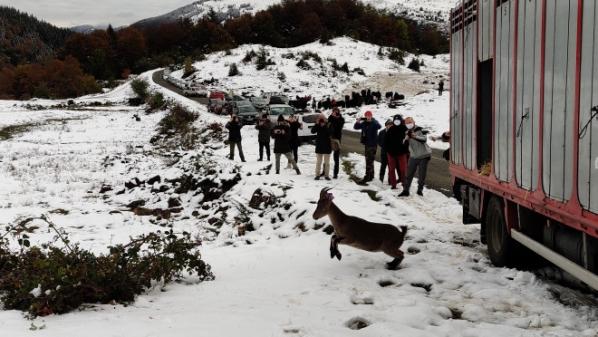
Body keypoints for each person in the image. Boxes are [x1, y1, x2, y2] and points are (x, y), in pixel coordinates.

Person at [399, 117, 432, 197]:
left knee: (421, 175)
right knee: (409, 174)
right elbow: (404, 145)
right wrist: (406, 139)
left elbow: (424, 139)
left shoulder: (420, 129)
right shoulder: (406, 132)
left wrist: (415, 136)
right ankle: (406, 190)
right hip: (413, 156)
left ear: (413, 122)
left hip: (423, 155)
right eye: (407, 123)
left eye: (410, 122)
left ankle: (419, 190)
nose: (408, 124)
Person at [353, 110, 381, 184]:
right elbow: (355, 127)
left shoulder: (374, 123)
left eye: (369, 116)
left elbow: (379, 126)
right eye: (366, 116)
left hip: (372, 145)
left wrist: (373, 120)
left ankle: (367, 177)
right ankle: (371, 176)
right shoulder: (364, 123)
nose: (368, 117)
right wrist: (358, 121)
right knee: (370, 161)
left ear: (371, 116)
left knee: (369, 161)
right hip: (367, 144)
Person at [385, 114, 409, 190]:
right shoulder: (391, 129)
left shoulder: (405, 129)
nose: (397, 122)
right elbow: (386, 141)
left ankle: (404, 183)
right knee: (391, 170)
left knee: (403, 169)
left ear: (401, 120)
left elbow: (408, 140)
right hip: (391, 153)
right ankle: (393, 184)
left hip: (402, 153)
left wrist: (406, 149)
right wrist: (388, 149)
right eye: (395, 121)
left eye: (398, 120)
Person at [311, 114, 333, 180]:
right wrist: (317, 124)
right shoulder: (317, 125)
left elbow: (331, 132)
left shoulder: (329, 124)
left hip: (327, 146)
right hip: (319, 146)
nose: (322, 120)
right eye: (320, 118)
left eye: (323, 118)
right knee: (318, 162)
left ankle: (326, 175)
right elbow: (312, 131)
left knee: (327, 163)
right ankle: (317, 175)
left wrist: (325, 125)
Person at [328, 107, 345, 179]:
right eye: (334, 112)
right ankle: (324, 171)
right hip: (330, 138)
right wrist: (332, 116)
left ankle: (335, 174)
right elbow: (328, 125)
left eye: (337, 112)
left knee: (336, 158)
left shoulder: (341, 119)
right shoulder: (330, 118)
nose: (336, 113)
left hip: (337, 139)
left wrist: (336, 118)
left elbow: (339, 127)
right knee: (326, 156)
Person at [378, 119, 393, 183]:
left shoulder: (394, 132)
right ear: (386, 125)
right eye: (388, 124)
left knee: (391, 168)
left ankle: (390, 180)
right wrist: (383, 145)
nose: (390, 126)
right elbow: (378, 141)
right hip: (384, 152)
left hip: (392, 153)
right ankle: (381, 179)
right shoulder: (381, 132)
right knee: (383, 166)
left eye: (391, 125)